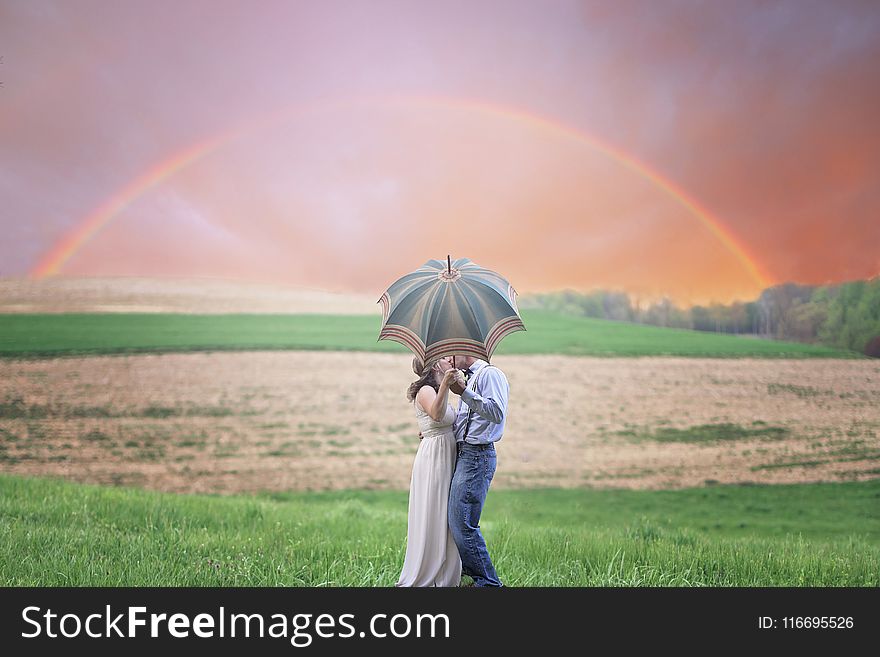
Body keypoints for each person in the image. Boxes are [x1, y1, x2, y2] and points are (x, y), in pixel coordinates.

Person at [396, 356, 465, 587]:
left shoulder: (438, 390)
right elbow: (436, 415)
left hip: (447, 452)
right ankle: (430, 572)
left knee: (447, 513)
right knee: (434, 509)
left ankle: (447, 573)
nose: (450, 361)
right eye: (445, 359)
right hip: (434, 457)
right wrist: (446, 384)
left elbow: (445, 420)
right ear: (436, 365)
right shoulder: (426, 390)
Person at [447, 355, 509, 587]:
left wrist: (463, 392)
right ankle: (469, 577)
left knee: (462, 522)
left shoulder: (490, 374)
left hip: (477, 455)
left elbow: (496, 412)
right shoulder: (469, 379)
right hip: (465, 453)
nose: (450, 360)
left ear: (467, 350)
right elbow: (465, 421)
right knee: (456, 520)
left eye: (453, 353)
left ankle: (488, 583)